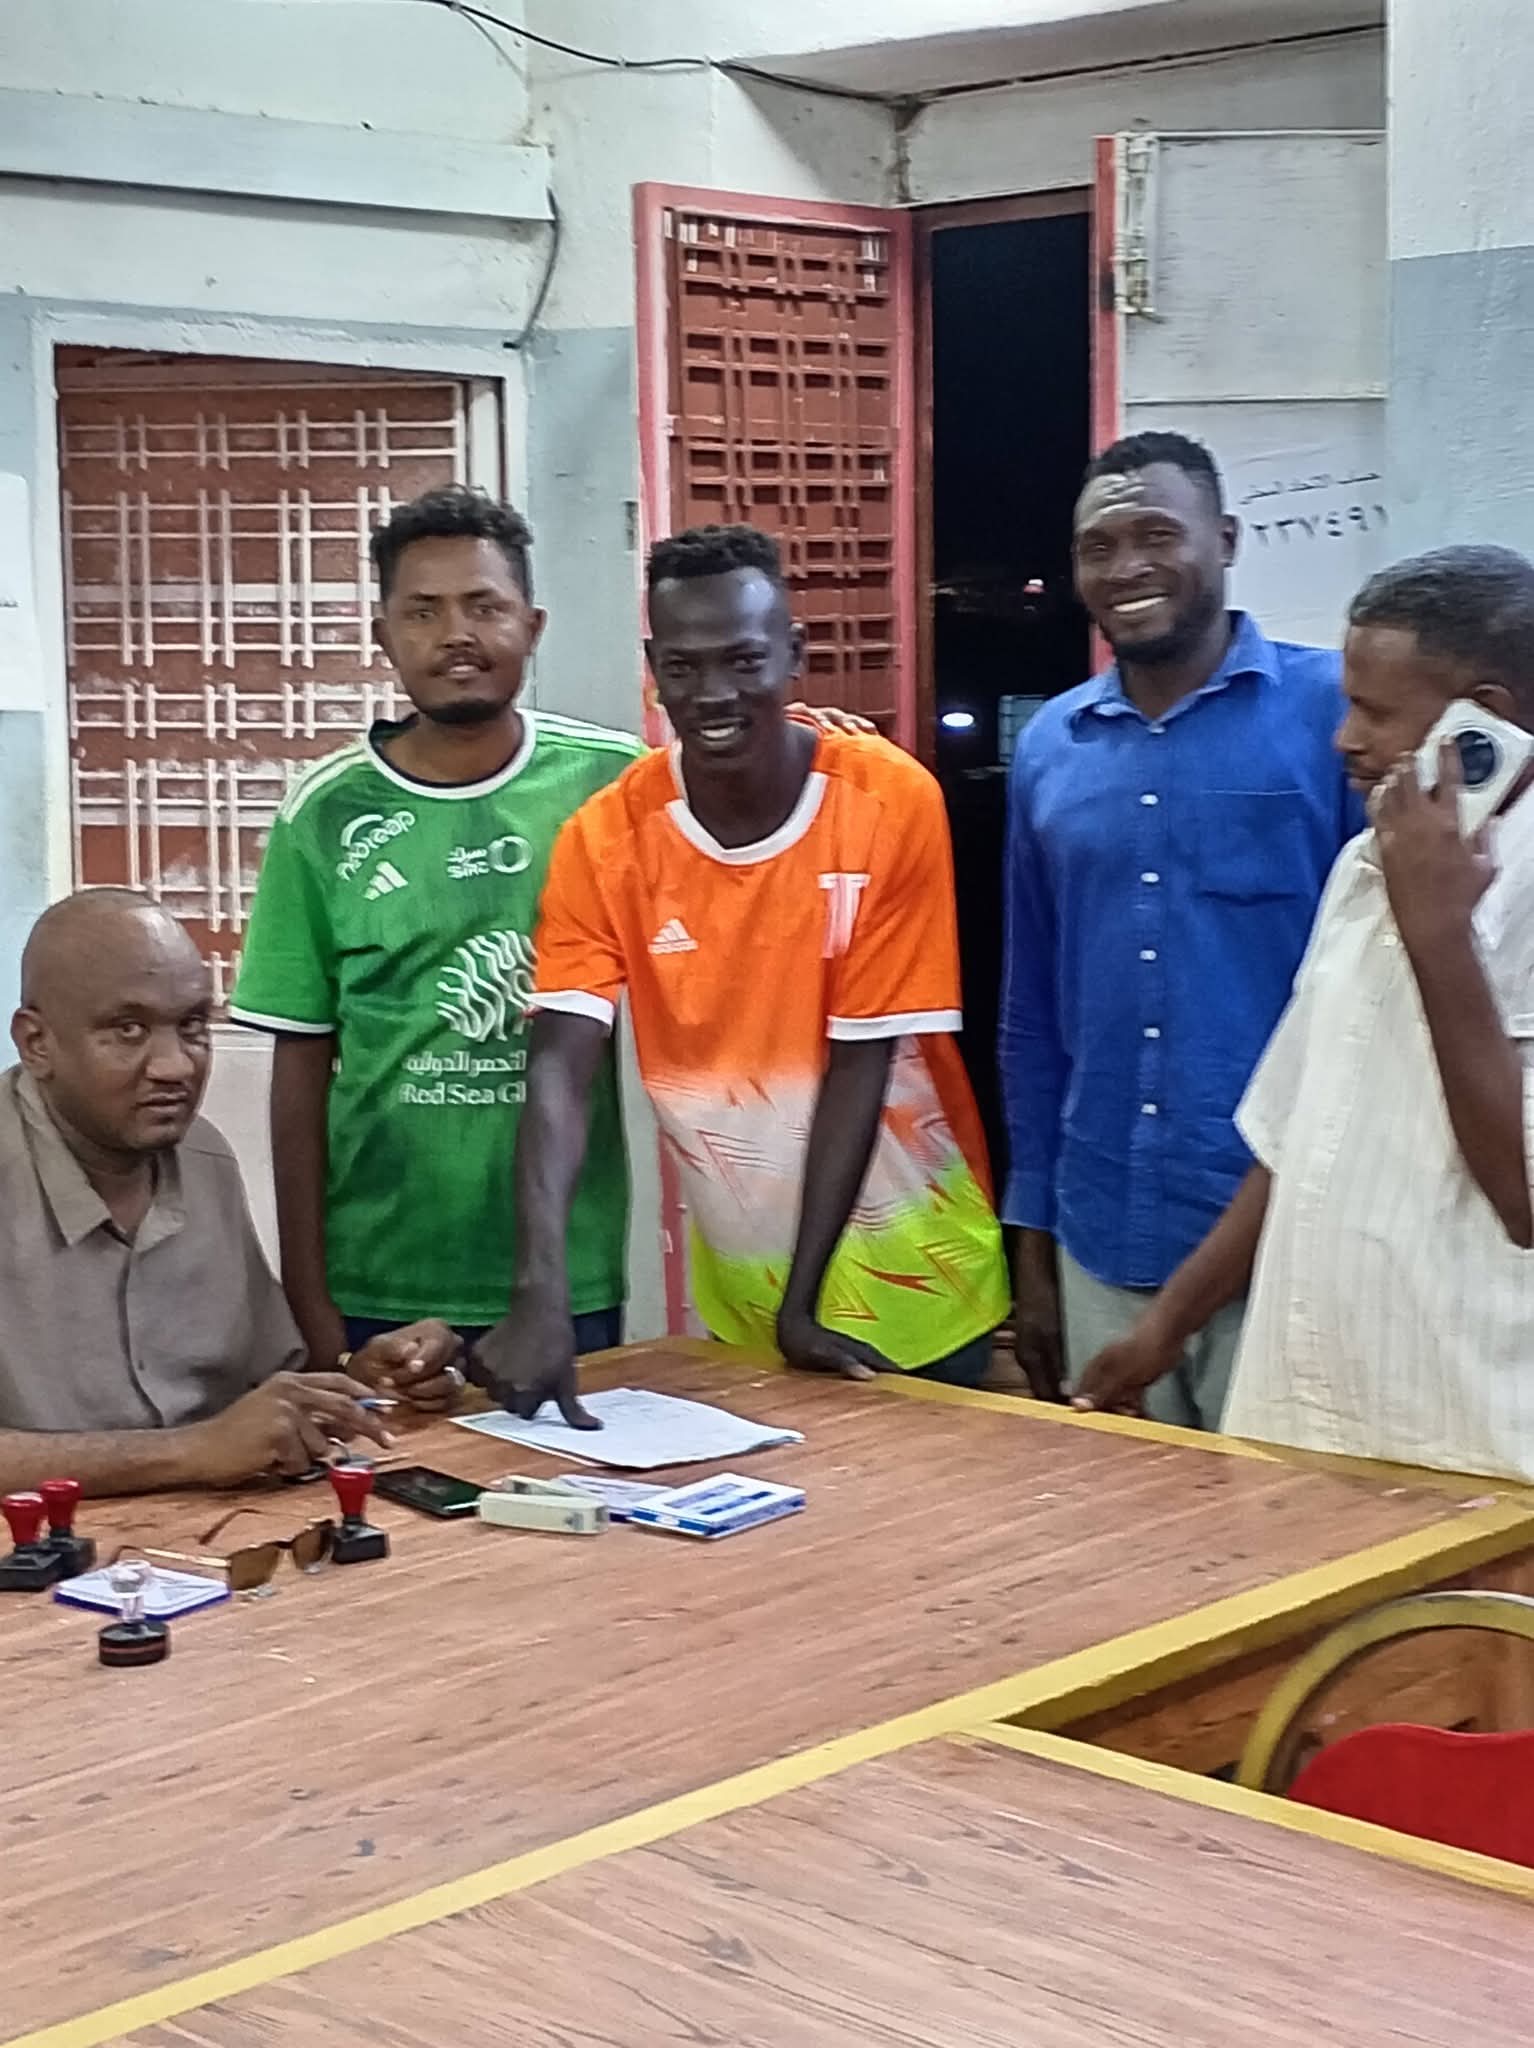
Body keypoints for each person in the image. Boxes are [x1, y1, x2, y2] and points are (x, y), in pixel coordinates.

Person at [473, 523, 1009, 1424]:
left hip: (923, 1291)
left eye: (744, 661)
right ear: (654, 668)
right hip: (743, 1308)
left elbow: (860, 1060)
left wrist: (805, 1307)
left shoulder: (889, 801)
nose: (714, 694)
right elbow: (559, 1063)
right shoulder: (606, 837)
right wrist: (539, 1290)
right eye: (683, 668)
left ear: (794, 654)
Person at [1078, 545, 1534, 1482]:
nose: (1344, 739)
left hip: (1465, 1433)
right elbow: (1296, 1131)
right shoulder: (1367, 864)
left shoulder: (1462, 895)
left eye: (1375, 711)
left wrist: (1440, 938)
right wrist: (1170, 1322)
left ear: (1484, 716)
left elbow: (1523, 1200)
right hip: (1307, 1410)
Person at [231, 487, 643, 1386]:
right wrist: (312, 1309)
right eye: (423, 612)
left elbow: (742, 811)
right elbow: (300, 1070)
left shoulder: (615, 786)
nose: (457, 634)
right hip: (381, 1275)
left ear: (532, 625)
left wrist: (828, 743)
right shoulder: (324, 814)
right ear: (383, 636)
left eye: (484, 606)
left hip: (564, 1277)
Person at [1000, 431, 1361, 1424]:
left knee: (1283, 1515)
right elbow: (1032, 1016)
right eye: (1099, 547)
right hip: (1101, 1239)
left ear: (1226, 540)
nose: (1127, 567)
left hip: (1289, 1245)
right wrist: (1032, 1246)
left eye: (1157, 535)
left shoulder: (1336, 715)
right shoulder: (1052, 747)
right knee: (1120, 1518)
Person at [0, 890, 457, 1497]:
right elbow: (212, 1444)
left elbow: (265, 1386)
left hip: (212, 1535)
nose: (175, 1066)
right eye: (129, 1029)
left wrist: (359, 1382)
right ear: (37, 1044)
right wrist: (191, 1452)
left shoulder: (203, 1158)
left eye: (192, 1026)